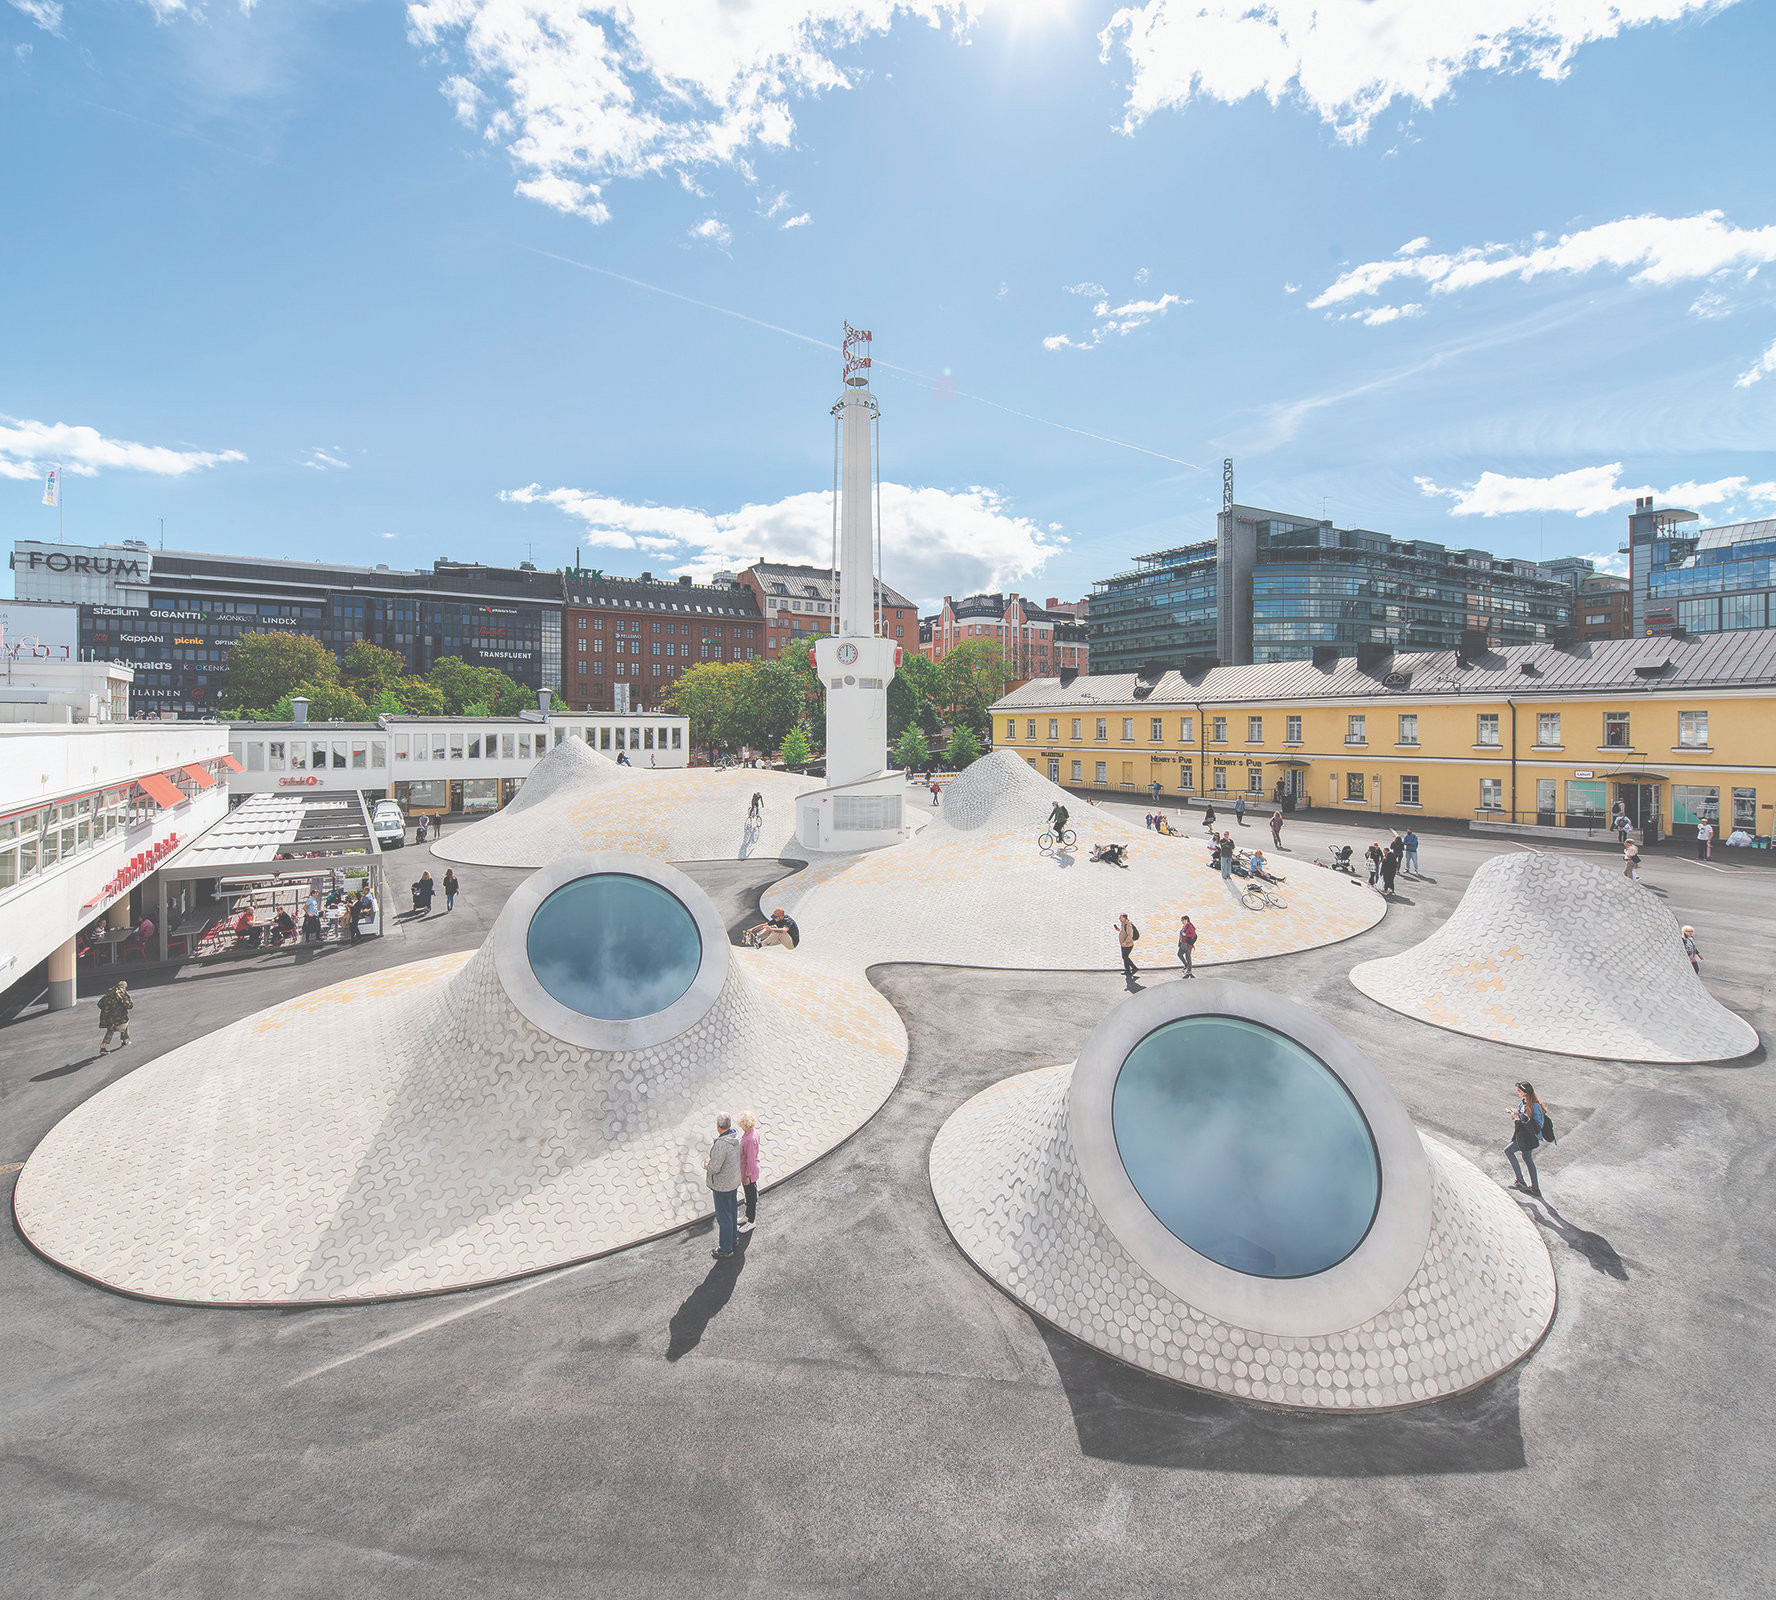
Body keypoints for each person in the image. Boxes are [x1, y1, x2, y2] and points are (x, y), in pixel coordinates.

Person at [705, 1114, 742, 1259]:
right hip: (733, 1182)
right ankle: (734, 1239)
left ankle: (726, 1248)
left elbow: (714, 1168)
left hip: (722, 1186)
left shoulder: (721, 1144)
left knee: (723, 1217)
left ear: (718, 1126)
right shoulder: (735, 1138)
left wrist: (706, 1162)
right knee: (732, 1211)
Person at [1506, 1080, 1547, 1197]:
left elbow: (1537, 1125)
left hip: (1527, 1137)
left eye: (1518, 1090)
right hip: (1522, 1135)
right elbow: (1524, 1116)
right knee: (1527, 1158)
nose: (1516, 1092)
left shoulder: (1535, 1106)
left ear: (1525, 1092)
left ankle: (1521, 1182)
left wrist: (1520, 1117)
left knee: (1508, 1151)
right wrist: (1515, 1114)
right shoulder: (1524, 1102)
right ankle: (1534, 1188)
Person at [737, 1110, 760, 1234]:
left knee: (751, 1197)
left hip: (749, 1173)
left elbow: (750, 1160)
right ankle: (747, 1216)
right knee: (748, 1195)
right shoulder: (752, 1133)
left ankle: (751, 1221)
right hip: (748, 1171)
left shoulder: (749, 1140)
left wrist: (747, 1176)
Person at [98, 980, 132, 1054]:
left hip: (108, 1016)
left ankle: (104, 1047)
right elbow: (129, 1005)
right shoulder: (121, 994)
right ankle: (124, 1040)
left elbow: (100, 1004)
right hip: (119, 1016)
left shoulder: (109, 993)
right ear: (124, 987)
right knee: (125, 1024)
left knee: (111, 1030)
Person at [1115, 913, 1139, 981]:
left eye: (1120, 917)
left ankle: (1134, 968)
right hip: (1123, 944)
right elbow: (1124, 932)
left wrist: (1125, 942)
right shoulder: (1123, 923)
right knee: (1124, 957)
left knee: (1125, 957)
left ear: (1124, 918)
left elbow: (1130, 935)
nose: (1119, 919)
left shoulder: (1128, 925)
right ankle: (1127, 970)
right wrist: (1119, 930)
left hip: (1128, 945)